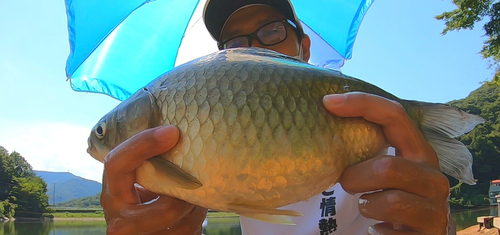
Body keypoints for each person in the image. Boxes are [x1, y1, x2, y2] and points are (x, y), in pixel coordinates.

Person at [100, 0, 454, 234]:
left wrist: (441, 225)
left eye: (271, 31)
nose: (255, 49)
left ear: (305, 47)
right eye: (235, 44)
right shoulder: (212, 151)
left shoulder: (385, 137)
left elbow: (431, 215)